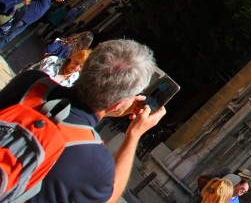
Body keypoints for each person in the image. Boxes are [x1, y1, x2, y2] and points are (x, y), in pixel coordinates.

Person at [0, 39, 166, 203]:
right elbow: (110, 197)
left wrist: (109, 107)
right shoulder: (95, 161)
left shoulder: (30, 83)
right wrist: (134, 133)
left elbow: (67, 113)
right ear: (118, 103)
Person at [0, 0, 67, 49]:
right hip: (22, 17)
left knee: (9, 37)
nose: (63, 0)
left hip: (27, 22)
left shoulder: (52, 1)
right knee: (4, 32)